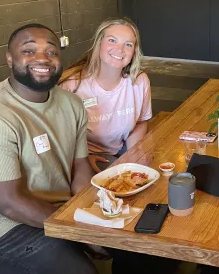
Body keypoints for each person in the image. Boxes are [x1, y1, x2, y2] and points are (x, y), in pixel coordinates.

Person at [0, 24, 100, 274]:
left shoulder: (71, 103)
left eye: (51, 51)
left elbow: (80, 168)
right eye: (28, 51)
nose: (43, 58)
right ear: (9, 59)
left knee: (136, 242)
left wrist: (92, 213)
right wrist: (77, 230)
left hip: (55, 211)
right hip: (0, 228)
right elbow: (9, 204)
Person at [59, 18, 152, 172]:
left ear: (134, 51)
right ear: (99, 44)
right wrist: (81, 159)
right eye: (112, 40)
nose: (120, 49)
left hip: (120, 150)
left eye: (128, 44)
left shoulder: (139, 81)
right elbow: (60, 136)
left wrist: (135, 156)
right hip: (82, 155)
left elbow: (140, 122)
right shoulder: (71, 85)